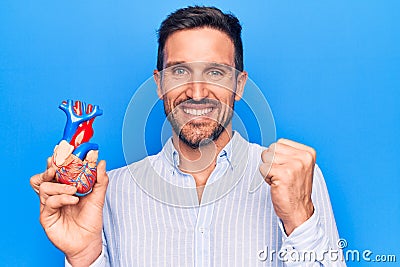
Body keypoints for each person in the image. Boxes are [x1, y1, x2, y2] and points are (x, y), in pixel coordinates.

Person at [30, 6, 345, 267]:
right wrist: (83, 257)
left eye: (216, 72)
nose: (197, 92)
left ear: (240, 85)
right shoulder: (112, 194)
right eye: (179, 72)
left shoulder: (299, 180)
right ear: (159, 84)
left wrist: (300, 219)